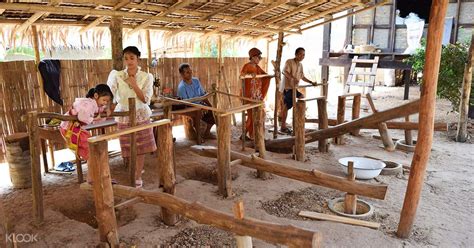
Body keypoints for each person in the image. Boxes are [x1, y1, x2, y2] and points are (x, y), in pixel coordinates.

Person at [107, 46, 156, 188]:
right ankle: (135, 170)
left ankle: (138, 175)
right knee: (128, 148)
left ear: (138, 58)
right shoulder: (117, 75)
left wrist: (134, 84)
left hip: (140, 114)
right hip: (124, 115)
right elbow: (110, 93)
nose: (129, 61)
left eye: (132, 58)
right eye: (126, 58)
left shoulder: (146, 77)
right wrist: (108, 105)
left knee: (141, 148)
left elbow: (145, 99)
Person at [59, 84, 113, 182]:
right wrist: (95, 118)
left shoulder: (93, 104)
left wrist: (106, 110)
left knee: (91, 152)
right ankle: (92, 178)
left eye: (107, 101)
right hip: (69, 128)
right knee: (91, 150)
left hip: (72, 128)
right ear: (96, 96)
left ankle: (93, 177)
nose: (105, 103)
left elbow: (98, 112)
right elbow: (82, 117)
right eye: (104, 100)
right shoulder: (88, 104)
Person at [280, 47, 317, 134]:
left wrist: (311, 82)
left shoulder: (300, 65)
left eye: (303, 55)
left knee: (287, 106)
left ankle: (288, 124)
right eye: (300, 54)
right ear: (296, 54)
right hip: (287, 88)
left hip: (293, 88)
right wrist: (292, 78)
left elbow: (302, 76)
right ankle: (286, 125)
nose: (302, 56)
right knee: (296, 100)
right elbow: (284, 72)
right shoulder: (289, 61)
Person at [177, 63, 216, 139]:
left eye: (190, 71)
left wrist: (210, 106)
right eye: (187, 72)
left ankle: (207, 133)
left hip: (200, 104)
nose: (190, 73)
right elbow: (186, 104)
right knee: (197, 114)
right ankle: (198, 137)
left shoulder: (196, 81)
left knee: (214, 112)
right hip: (189, 107)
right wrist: (200, 108)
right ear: (182, 74)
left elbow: (203, 95)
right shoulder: (181, 87)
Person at [240, 48, 270, 140]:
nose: (259, 59)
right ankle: (249, 134)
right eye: (258, 57)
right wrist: (249, 74)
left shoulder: (257, 67)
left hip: (256, 96)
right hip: (248, 96)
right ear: (252, 57)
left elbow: (265, 75)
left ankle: (253, 135)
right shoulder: (247, 66)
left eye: (260, 58)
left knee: (260, 114)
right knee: (252, 115)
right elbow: (242, 74)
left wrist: (270, 76)